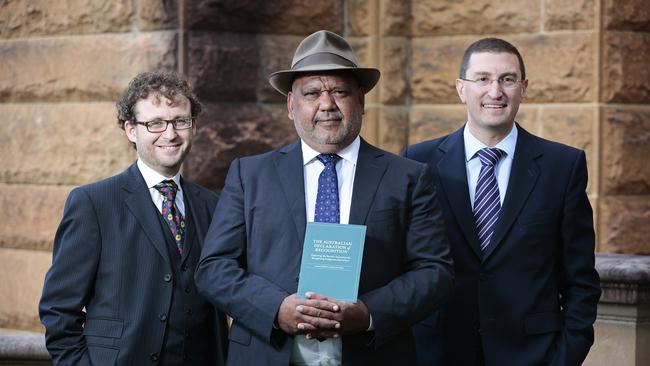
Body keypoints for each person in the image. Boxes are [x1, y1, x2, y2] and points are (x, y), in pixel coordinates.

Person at [194, 30, 454, 365]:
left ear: (360, 100)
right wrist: (276, 309)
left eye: (340, 92)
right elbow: (213, 268)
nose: (326, 104)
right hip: (269, 352)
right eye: (312, 93)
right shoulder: (250, 175)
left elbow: (435, 272)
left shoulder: (407, 177)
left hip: (371, 354)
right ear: (291, 105)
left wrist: (367, 313)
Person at [404, 37, 601, 366]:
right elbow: (406, 265)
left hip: (533, 356)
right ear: (461, 89)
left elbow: (580, 280)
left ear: (523, 88)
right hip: (439, 353)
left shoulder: (562, 166)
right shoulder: (419, 163)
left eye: (507, 79)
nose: (495, 91)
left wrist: (565, 357)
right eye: (482, 79)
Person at [39, 70, 228, 365]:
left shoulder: (211, 206)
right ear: (131, 129)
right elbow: (59, 309)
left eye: (180, 121)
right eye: (155, 123)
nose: (171, 134)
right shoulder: (92, 203)